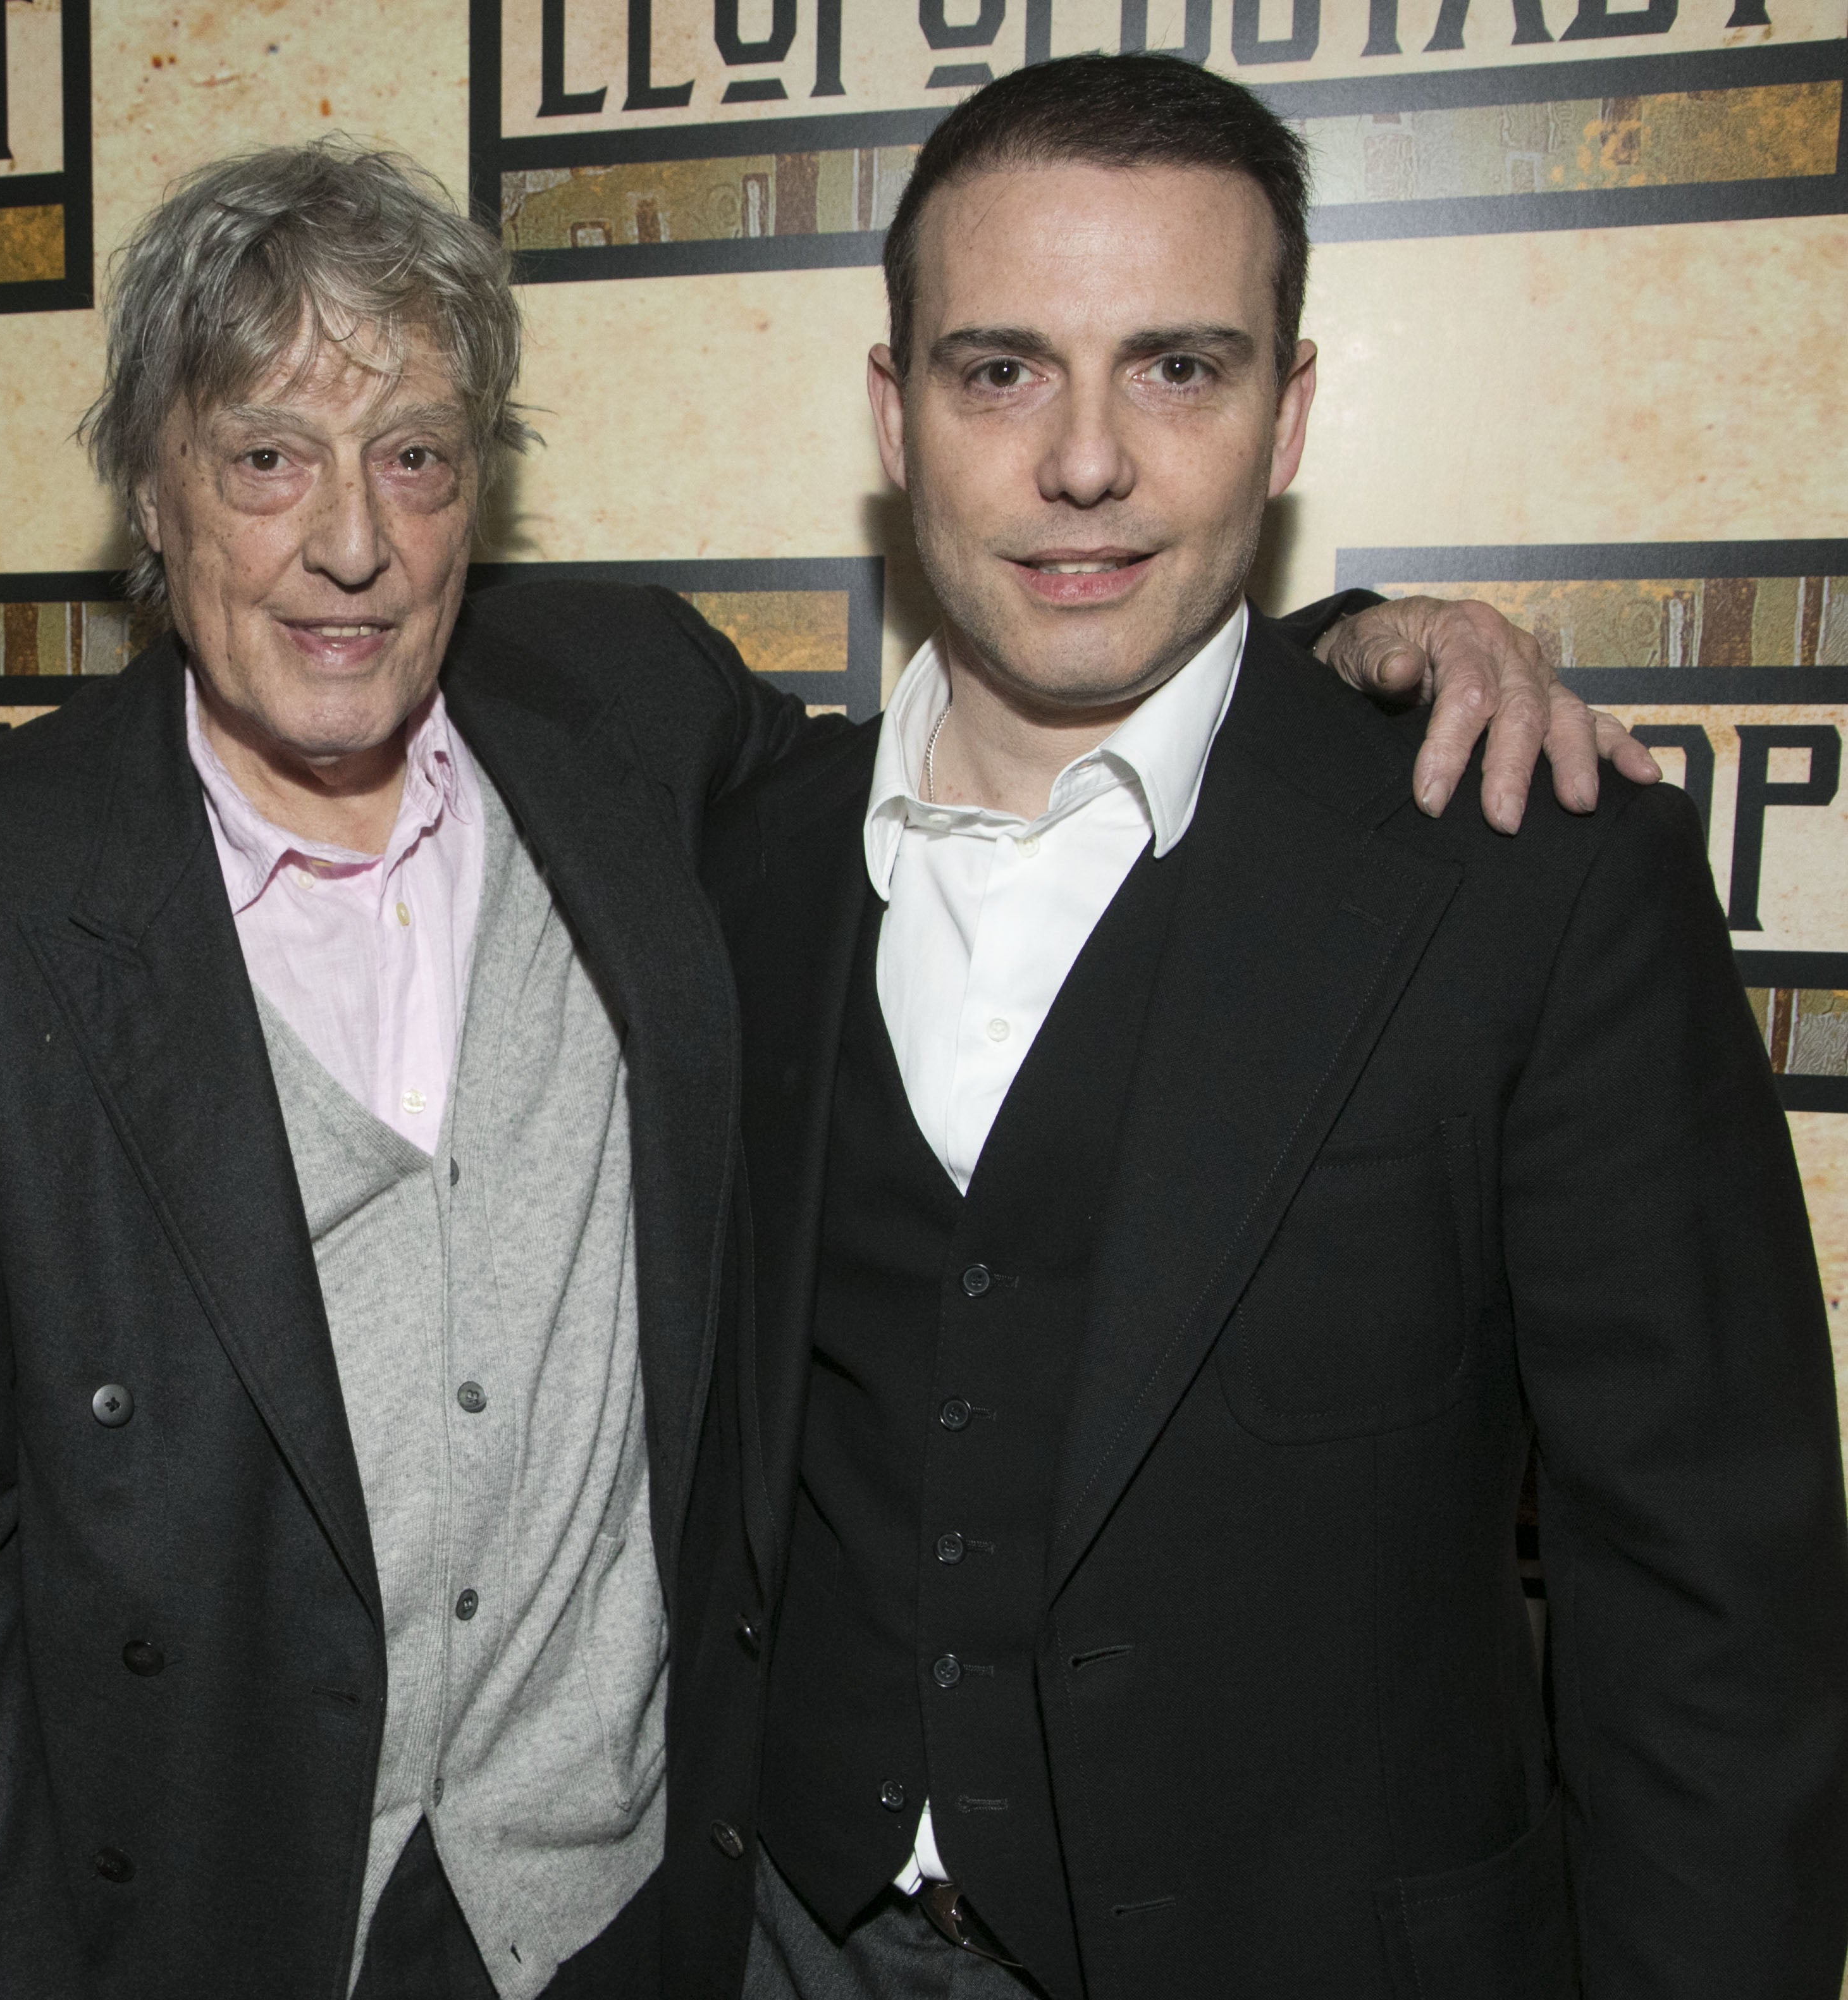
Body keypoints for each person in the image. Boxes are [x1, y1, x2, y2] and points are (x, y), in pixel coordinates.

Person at [0, 140, 1641, 2000]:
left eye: (416, 455)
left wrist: (1345, 659)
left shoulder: (623, 713)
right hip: (213, 1916)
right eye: (269, 455)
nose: (351, 539)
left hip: (622, 1916)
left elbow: (1015, 727)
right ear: (152, 493)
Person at [669, 55, 1848, 2000]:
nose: (1086, 462)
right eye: (999, 370)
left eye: (1181, 368)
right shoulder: (736, 863)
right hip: (787, 1944)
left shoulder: (1531, 877)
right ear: (894, 410)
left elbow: (1713, 1613)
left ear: (1289, 411)